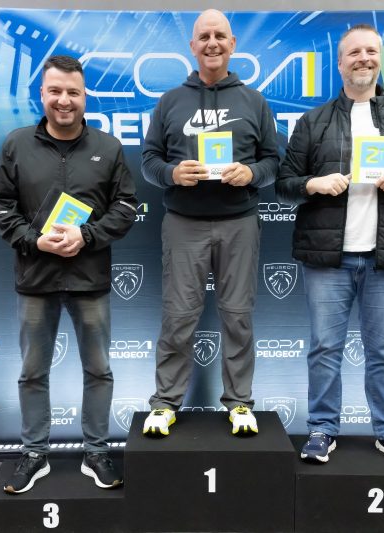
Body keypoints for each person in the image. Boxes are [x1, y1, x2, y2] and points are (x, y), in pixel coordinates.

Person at [276, 24, 384, 469]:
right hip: (327, 258)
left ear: (380, 59)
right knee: (324, 349)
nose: (363, 58)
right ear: (340, 63)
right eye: (354, 52)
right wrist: (313, 184)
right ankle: (321, 430)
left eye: (371, 50)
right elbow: (285, 182)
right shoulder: (312, 122)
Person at [0, 55, 137, 492]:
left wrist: (86, 235)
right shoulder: (17, 144)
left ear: (84, 95)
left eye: (73, 92)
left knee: (99, 370)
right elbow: (2, 207)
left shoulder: (109, 147)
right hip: (36, 279)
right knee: (33, 372)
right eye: (55, 91)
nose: (64, 100)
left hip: (90, 280)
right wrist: (35, 240)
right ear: (42, 94)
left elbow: (126, 207)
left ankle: (97, 452)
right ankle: (34, 454)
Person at [140, 9, 279, 437]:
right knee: (178, 316)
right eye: (204, 36)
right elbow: (148, 161)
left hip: (239, 223)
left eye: (220, 35)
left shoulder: (254, 101)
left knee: (238, 316)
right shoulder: (170, 101)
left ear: (232, 44)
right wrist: (172, 173)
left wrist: (251, 173)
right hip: (184, 223)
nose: (212, 43)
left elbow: (273, 162)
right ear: (192, 46)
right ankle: (165, 404)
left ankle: (239, 404)